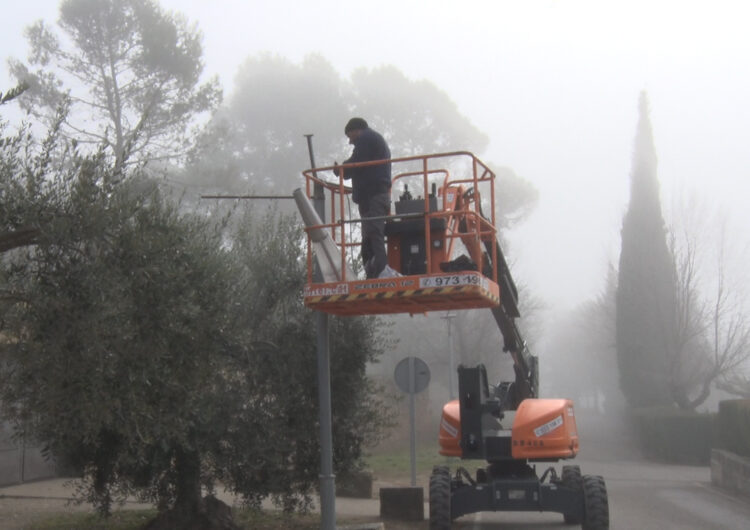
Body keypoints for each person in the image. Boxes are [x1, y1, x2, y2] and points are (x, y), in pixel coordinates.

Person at [333, 118, 398, 279]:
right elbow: (358, 164)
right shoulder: (371, 140)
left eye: (350, 136)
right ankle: (372, 270)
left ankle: (381, 270)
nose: (350, 141)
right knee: (369, 234)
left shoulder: (366, 139)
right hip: (371, 196)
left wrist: (341, 169)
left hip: (374, 195)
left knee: (374, 231)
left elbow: (356, 162)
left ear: (357, 130)